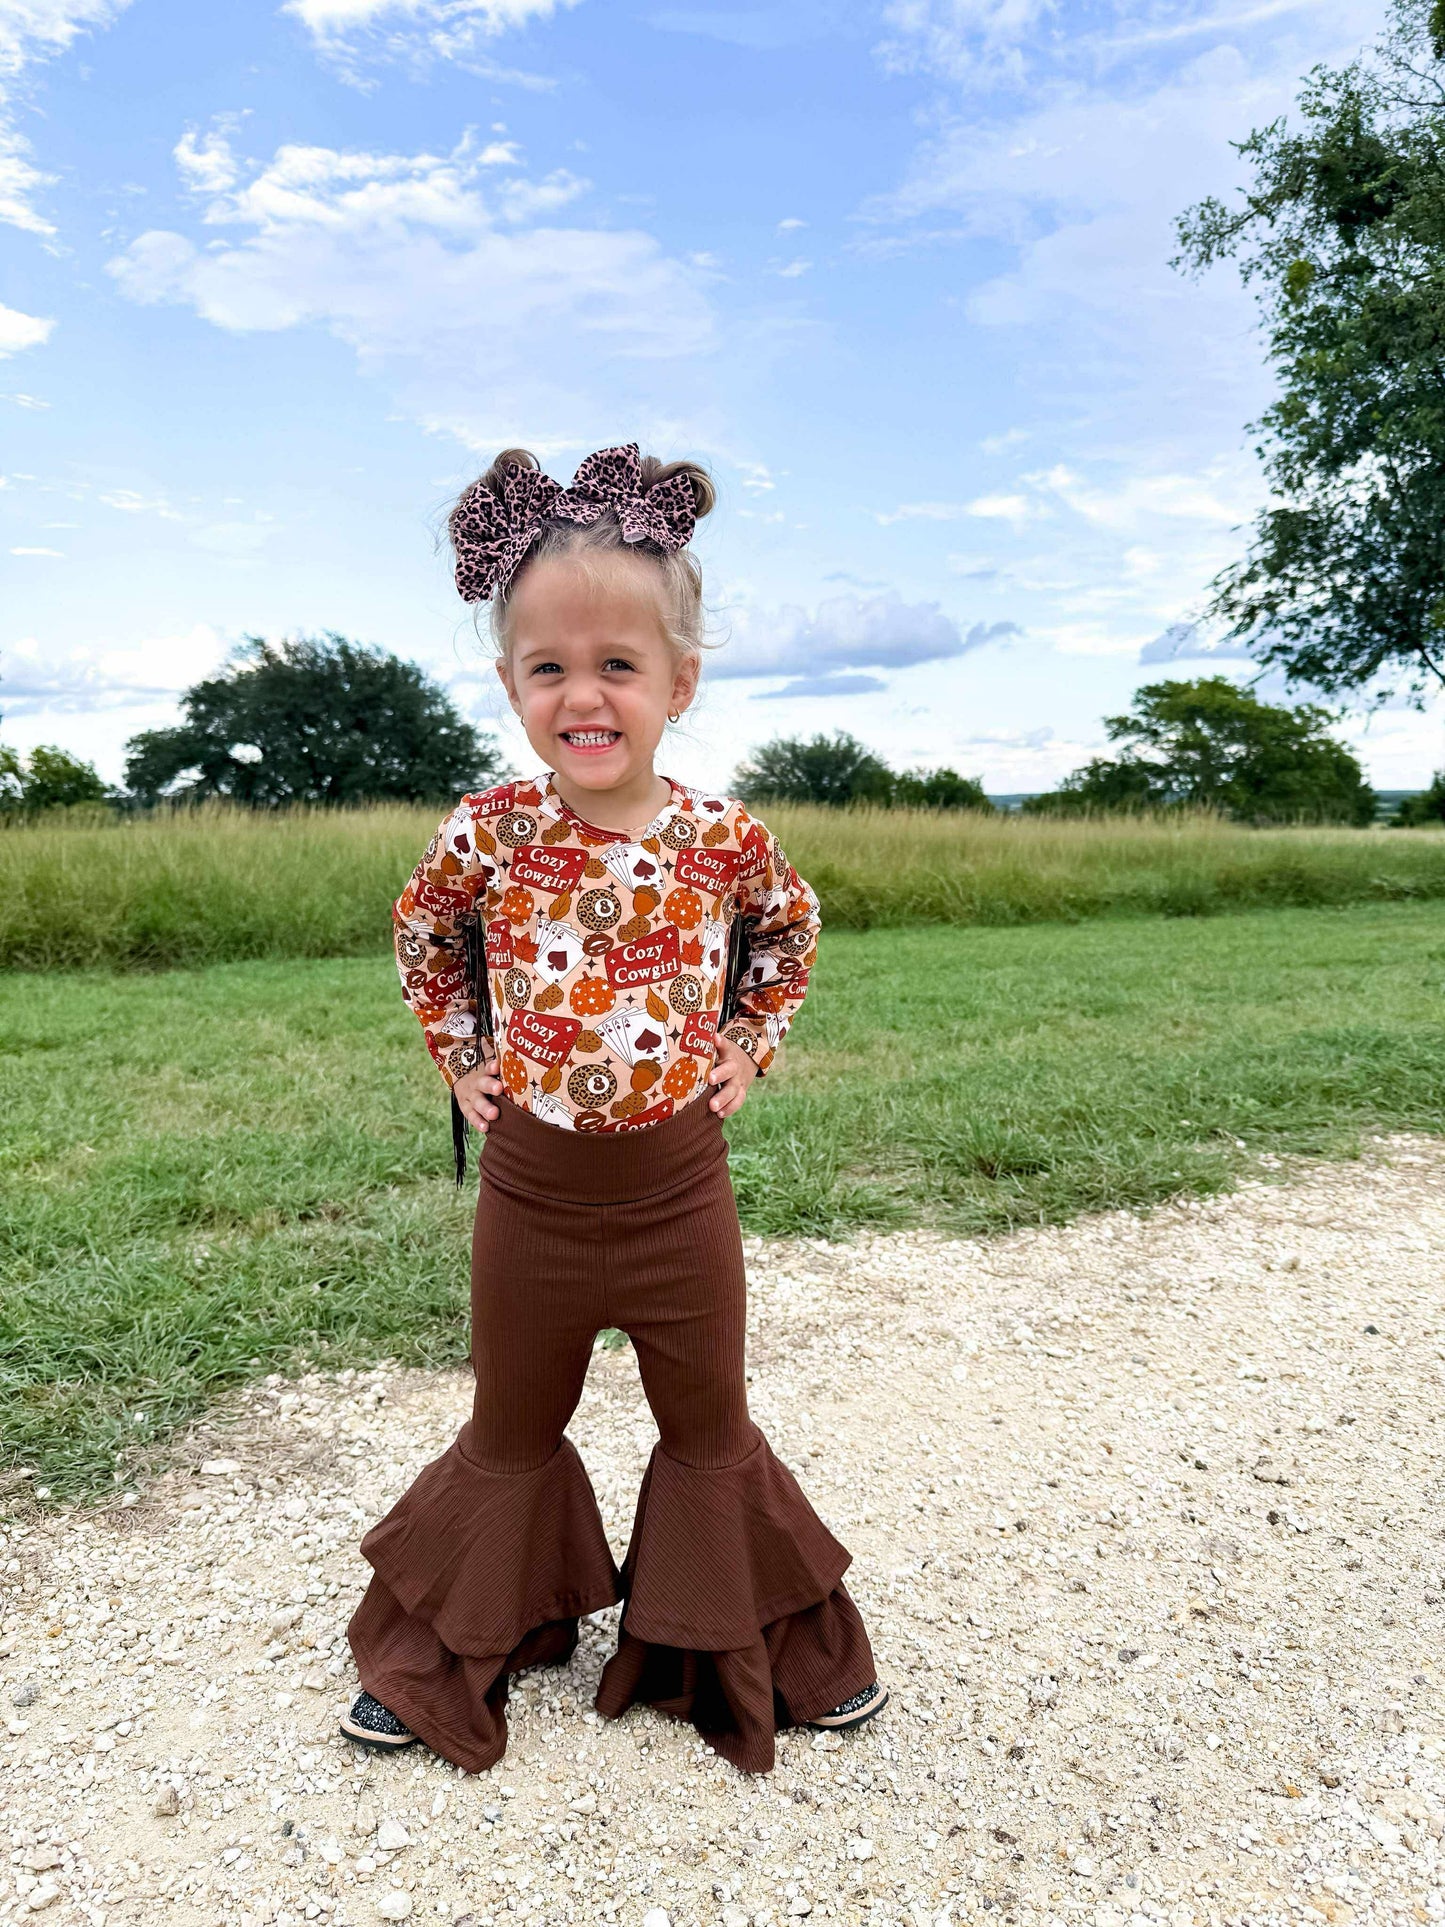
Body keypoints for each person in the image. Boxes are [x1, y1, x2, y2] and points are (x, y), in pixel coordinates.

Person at [342, 442, 887, 1776]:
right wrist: (457, 1054)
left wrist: (751, 1041)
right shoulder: (488, 831)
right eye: (548, 667)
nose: (582, 695)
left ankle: (750, 1647)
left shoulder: (722, 838)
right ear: (511, 685)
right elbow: (423, 932)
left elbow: (790, 930)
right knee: (510, 1427)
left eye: (618, 666)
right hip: (531, 1197)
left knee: (708, 1429)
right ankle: (461, 1645)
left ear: (677, 684)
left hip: (677, 1196)